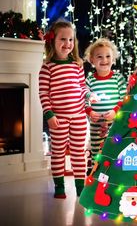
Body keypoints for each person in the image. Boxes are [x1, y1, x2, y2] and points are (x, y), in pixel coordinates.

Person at [39, 19, 96, 199]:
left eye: (70, 40)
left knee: (79, 153)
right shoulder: (47, 67)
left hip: (79, 117)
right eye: (63, 39)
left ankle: (81, 188)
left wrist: (89, 96)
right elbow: (43, 93)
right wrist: (49, 114)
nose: (67, 44)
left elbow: (82, 88)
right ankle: (59, 187)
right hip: (59, 118)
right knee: (58, 153)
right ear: (52, 41)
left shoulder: (77, 66)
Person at [84, 38, 127, 174]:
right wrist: (90, 112)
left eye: (108, 56)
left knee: (115, 148)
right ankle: (96, 175)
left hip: (114, 124)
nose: (104, 60)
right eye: (99, 57)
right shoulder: (89, 80)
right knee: (97, 151)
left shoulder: (118, 78)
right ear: (92, 60)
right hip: (97, 125)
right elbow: (84, 100)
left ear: (113, 59)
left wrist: (115, 111)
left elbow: (124, 99)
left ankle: (115, 174)